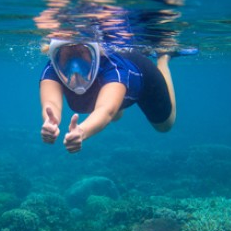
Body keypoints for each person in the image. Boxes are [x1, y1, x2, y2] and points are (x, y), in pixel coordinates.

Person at [39, 39, 197, 153]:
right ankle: (117, 102)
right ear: (56, 58)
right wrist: (50, 122)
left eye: (81, 53)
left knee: (165, 126)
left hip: (143, 76)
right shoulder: (53, 69)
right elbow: (51, 103)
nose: (75, 65)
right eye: (67, 56)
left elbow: (105, 110)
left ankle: (163, 57)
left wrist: (81, 132)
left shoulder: (114, 70)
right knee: (114, 114)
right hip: (109, 91)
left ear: (95, 53)